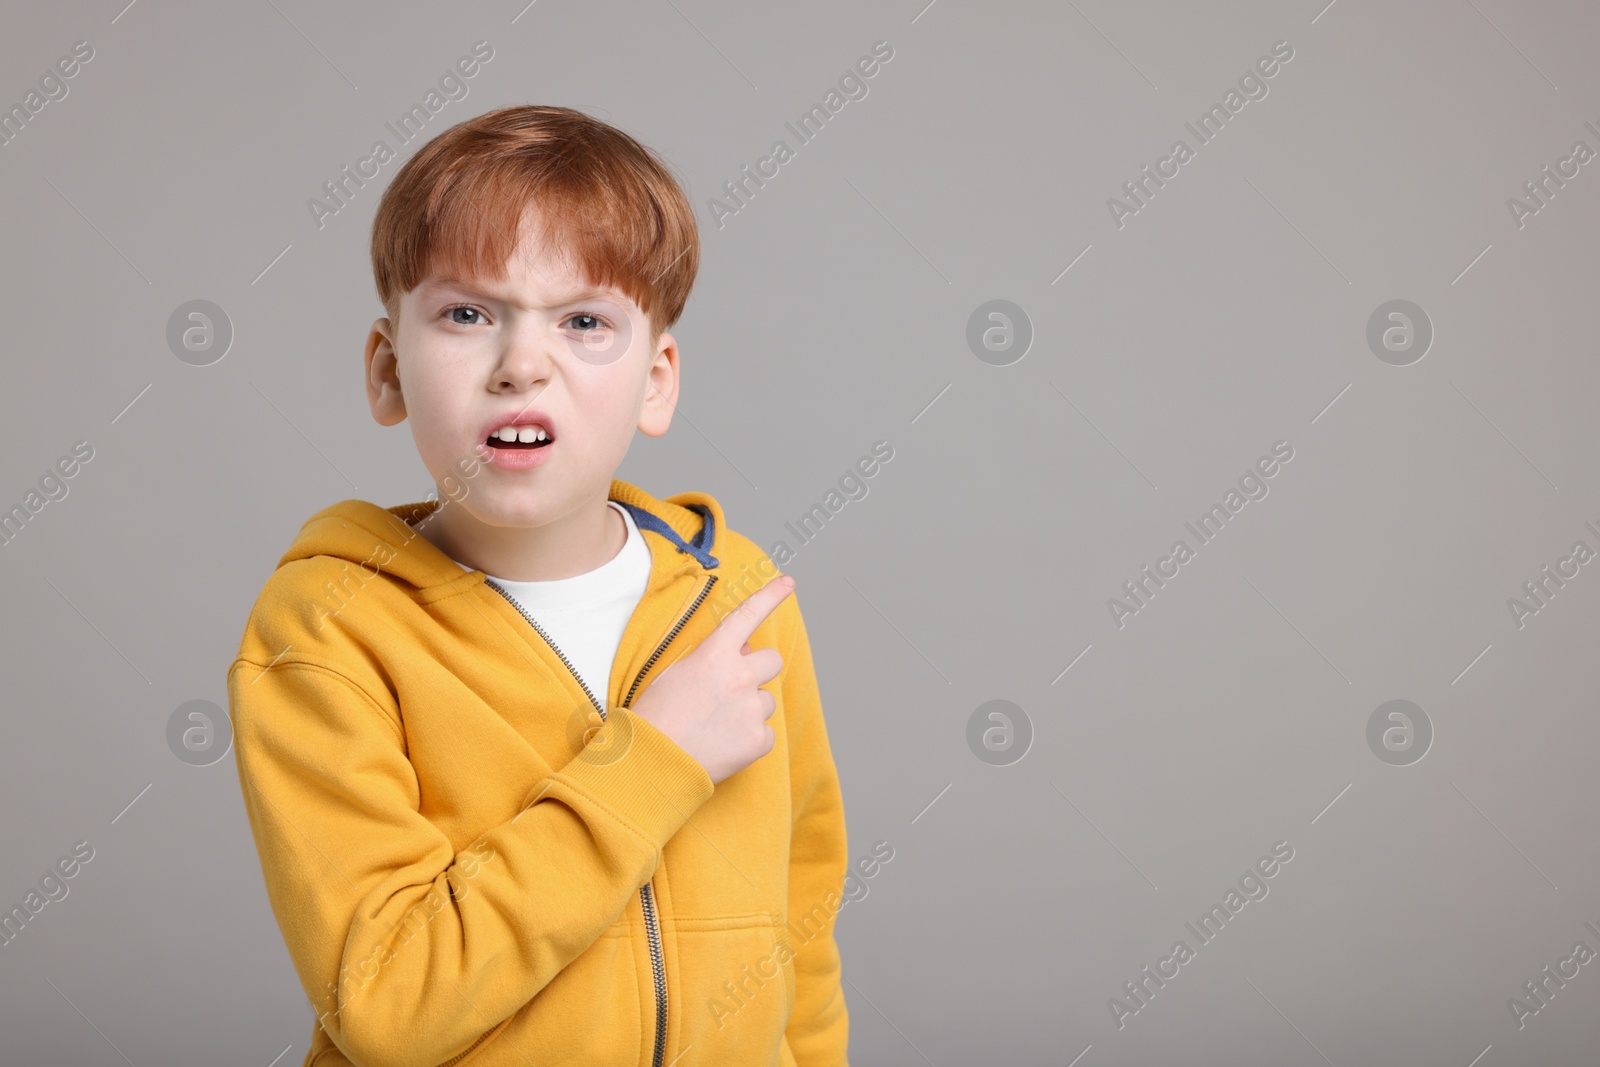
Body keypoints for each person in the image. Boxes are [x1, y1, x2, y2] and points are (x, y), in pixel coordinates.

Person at [227, 104, 850, 1067]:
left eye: (585, 322)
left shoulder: (741, 604)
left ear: (657, 381)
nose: (523, 364)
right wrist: (654, 761)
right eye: (468, 314)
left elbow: (800, 918)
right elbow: (390, 1007)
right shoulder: (328, 629)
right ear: (389, 371)